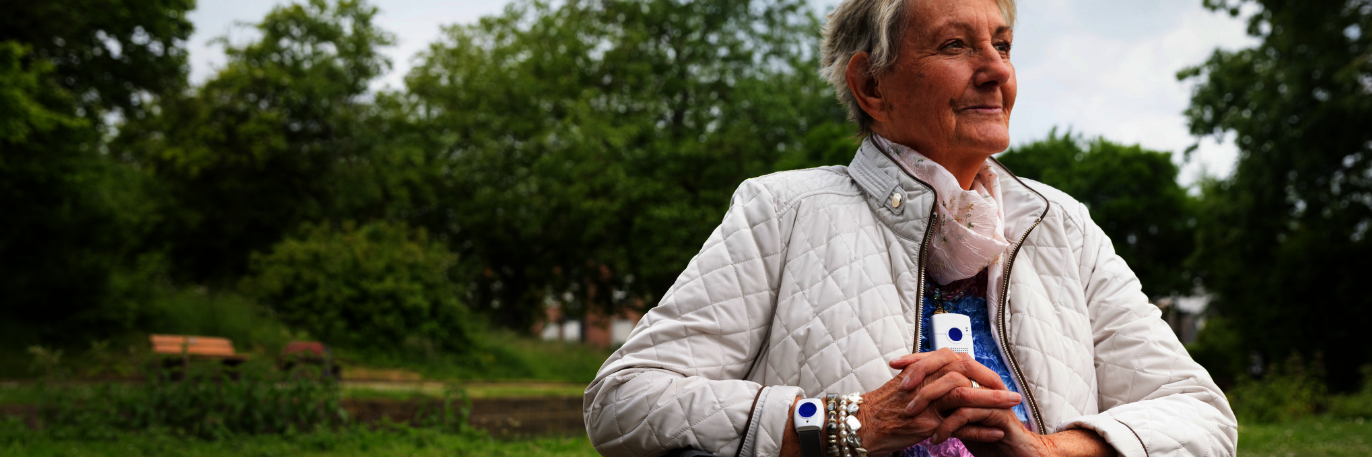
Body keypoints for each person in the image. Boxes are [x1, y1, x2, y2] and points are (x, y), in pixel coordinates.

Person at [583, 0, 1237, 455]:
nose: (996, 71)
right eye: (957, 45)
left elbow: (1201, 416)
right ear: (871, 84)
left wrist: (1049, 449)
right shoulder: (780, 211)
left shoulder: (1061, 224)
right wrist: (843, 424)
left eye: (1002, 45)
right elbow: (623, 400)